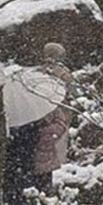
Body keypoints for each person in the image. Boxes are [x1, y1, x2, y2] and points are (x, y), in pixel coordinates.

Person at [33, 43, 74, 194]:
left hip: (41, 113)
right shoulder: (63, 73)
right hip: (59, 114)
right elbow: (71, 91)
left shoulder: (38, 72)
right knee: (57, 145)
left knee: (41, 147)